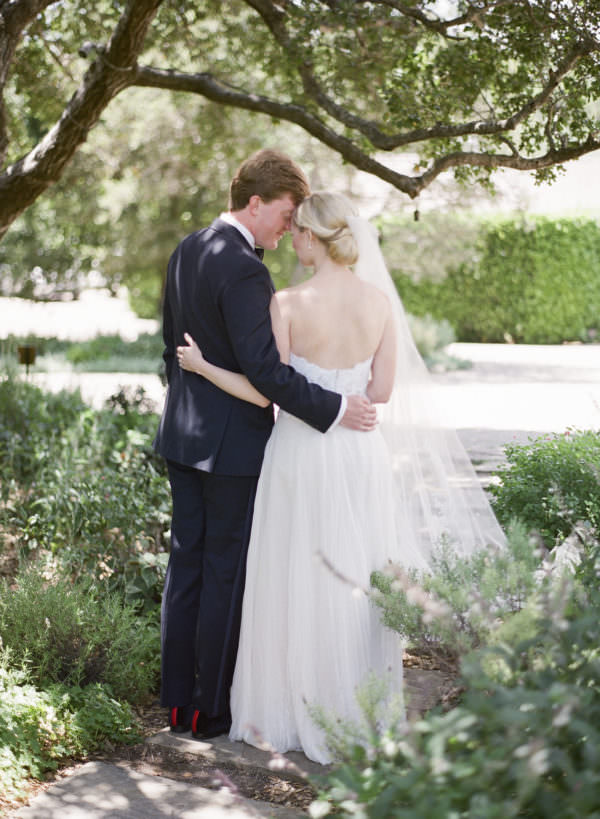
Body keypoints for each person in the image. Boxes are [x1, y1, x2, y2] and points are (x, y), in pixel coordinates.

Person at [177, 191, 507, 763]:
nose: (293, 241)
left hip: (300, 453)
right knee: (356, 574)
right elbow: (380, 394)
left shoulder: (286, 303)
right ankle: (358, 709)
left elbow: (264, 389)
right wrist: (346, 393)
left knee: (291, 574)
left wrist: (205, 367)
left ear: (312, 239)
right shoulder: (379, 304)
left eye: (298, 231)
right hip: (359, 452)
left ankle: (286, 712)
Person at [153, 152, 377, 741]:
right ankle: (208, 709)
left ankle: (177, 702)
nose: (289, 226)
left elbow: (171, 348)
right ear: (256, 203)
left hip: (183, 436)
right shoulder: (246, 269)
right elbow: (266, 373)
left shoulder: (187, 248)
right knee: (224, 572)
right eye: (284, 213)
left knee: (187, 565)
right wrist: (333, 407)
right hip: (232, 448)